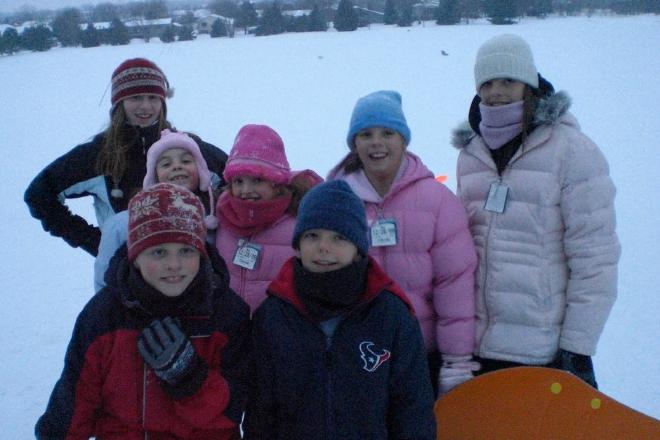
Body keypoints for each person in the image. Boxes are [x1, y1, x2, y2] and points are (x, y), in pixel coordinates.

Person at [451, 34, 620, 388]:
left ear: (528, 84)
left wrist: (577, 346)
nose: (496, 92)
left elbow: (595, 257)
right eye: (487, 83)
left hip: (541, 352)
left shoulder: (571, 151)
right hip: (476, 349)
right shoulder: (471, 154)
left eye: (508, 80)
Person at [36, 183, 250, 439]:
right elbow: (75, 402)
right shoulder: (104, 316)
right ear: (135, 256)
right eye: (159, 252)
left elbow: (231, 414)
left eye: (186, 250)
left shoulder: (226, 314)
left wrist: (190, 379)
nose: (174, 264)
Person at [244, 180, 436, 439]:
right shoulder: (273, 316)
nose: (324, 247)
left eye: (339, 237)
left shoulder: (391, 315)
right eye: (312, 236)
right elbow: (260, 412)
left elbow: (413, 409)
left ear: (358, 250)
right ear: (297, 246)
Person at [327, 90, 479, 396]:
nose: (376, 142)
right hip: (356, 354)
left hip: (420, 355)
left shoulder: (437, 202)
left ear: (404, 140)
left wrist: (456, 362)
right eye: (366, 134)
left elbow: (454, 284)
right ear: (354, 143)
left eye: (387, 133)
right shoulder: (336, 200)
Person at [24, 58, 227, 257]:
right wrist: (94, 241)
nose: (146, 106)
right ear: (119, 103)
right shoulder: (98, 155)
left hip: (191, 266)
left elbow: (235, 177)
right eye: (136, 97)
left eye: (153, 97)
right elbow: (39, 194)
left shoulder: (184, 146)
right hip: (125, 271)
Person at [94, 128, 219, 291]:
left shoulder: (216, 218)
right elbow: (105, 282)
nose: (177, 166)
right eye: (166, 164)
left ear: (201, 171)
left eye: (186, 161)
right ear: (154, 176)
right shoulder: (122, 224)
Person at [216, 124, 322, 313]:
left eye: (257, 180)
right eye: (238, 181)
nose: (246, 190)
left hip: (277, 324)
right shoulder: (221, 215)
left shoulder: (298, 222)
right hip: (230, 325)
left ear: (277, 182)